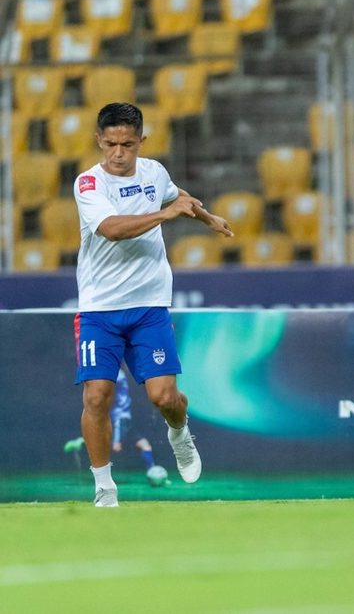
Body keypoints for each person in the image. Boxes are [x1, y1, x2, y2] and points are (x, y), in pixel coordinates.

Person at [75, 102, 234, 507]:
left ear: (141, 141)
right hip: (99, 307)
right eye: (110, 144)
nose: (118, 153)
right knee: (96, 396)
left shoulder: (154, 173)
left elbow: (179, 197)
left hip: (149, 304)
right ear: (99, 140)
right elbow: (111, 229)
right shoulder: (88, 184)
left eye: (127, 144)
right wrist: (165, 214)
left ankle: (179, 433)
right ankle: (105, 487)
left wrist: (208, 218)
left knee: (165, 398)